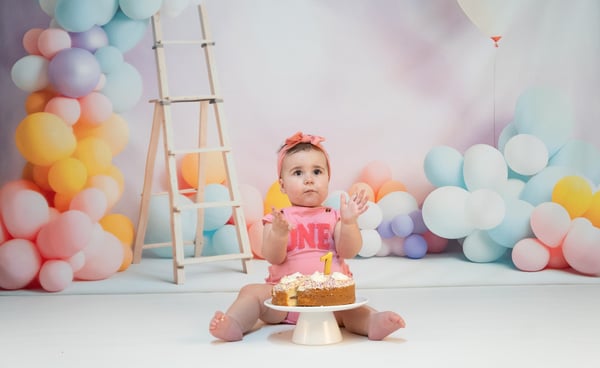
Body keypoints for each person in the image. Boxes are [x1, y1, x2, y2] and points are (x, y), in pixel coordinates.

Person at [209, 131, 406, 342]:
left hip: (330, 300)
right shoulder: (278, 219)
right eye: (298, 173)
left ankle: (373, 322)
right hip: (286, 301)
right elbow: (273, 256)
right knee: (251, 293)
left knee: (355, 310)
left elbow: (349, 250)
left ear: (328, 179)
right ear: (282, 185)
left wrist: (349, 223)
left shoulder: (334, 216)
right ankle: (234, 323)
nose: (309, 179)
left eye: (317, 171)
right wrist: (279, 233)